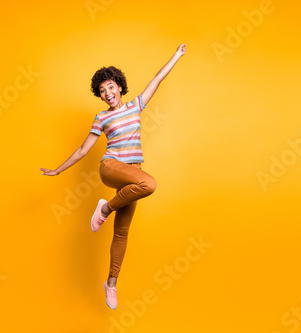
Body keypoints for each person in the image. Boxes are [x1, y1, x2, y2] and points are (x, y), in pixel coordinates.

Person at [41, 44, 186, 309]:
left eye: (110, 87)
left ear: (119, 86)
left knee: (121, 233)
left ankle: (111, 283)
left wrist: (176, 56)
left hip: (133, 172)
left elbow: (157, 79)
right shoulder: (101, 117)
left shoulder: (135, 106)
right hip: (111, 167)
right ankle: (104, 208)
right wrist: (58, 169)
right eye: (102, 91)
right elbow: (83, 149)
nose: (107, 93)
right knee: (149, 184)